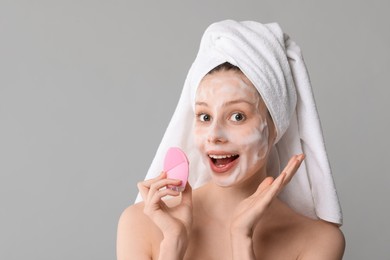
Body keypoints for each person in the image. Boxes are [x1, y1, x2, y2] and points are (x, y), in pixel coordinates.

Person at [117, 20, 345, 259]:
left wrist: (241, 239)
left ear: (274, 127)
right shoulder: (142, 224)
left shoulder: (317, 241)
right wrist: (172, 245)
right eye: (205, 116)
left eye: (237, 116)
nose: (214, 135)